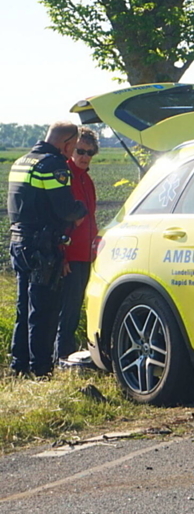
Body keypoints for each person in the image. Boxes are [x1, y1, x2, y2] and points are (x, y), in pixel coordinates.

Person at [7, 122, 87, 376]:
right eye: (73, 146)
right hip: (43, 246)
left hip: (19, 242)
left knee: (24, 306)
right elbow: (65, 208)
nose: (72, 151)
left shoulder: (21, 161)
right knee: (44, 310)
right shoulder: (52, 165)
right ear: (66, 142)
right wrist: (80, 211)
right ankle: (41, 370)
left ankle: (18, 366)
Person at [54, 127, 100, 364]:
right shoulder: (66, 176)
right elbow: (61, 221)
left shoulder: (87, 179)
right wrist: (63, 257)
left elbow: (90, 218)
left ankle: (67, 352)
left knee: (76, 305)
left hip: (85, 254)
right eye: (80, 150)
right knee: (67, 309)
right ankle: (62, 355)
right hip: (70, 255)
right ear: (71, 150)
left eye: (90, 152)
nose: (85, 156)